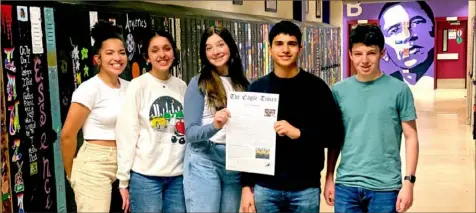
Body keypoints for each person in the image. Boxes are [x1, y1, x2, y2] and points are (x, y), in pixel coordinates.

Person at [239, 20, 344, 213]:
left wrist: (299, 134)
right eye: (279, 44)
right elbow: (247, 142)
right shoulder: (258, 89)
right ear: (269, 49)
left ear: (300, 48)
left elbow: (334, 135)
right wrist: (246, 187)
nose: (285, 50)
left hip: (305, 189)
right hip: (265, 188)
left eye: (292, 44)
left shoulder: (316, 88)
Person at [325, 24, 419, 213]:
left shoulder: (399, 90)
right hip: (346, 185)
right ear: (350, 55)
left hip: (385, 187)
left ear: (382, 53)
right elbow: (335, 139)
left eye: (371, 53)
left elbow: (411, 137)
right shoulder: (339, 91)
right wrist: (329, 178)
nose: (365, 60)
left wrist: (409, 182)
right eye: (358, 54)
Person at [115, 29, 187, 213]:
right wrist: (123, 180)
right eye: (155, 50)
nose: (162, 54)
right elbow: (127, 133)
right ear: (147, 57)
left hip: (178, 177)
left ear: (173, 53)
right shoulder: (138, 86)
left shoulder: (181, 86)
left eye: (166, 48)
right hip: (146, 177)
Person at [60, 20, 129, 212]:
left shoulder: (130, 88)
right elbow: (67, 135)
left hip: (125, 164)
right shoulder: (89, 89)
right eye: (109, 53)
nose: (117, 57)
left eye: (121, 52)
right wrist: (71, 174)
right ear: (97, 59)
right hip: (94, 163)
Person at [183, 25, 249, 212]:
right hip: (205, 158)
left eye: (220, 44)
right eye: (208, 48)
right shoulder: (198, 83)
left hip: (234, 161)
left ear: (230, 46)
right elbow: (191, 132)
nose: (215, 52)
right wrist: (215, 125)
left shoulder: (244, 84)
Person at [378, 1, 435, 87]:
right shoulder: (388, 84)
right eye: (394, 30)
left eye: (416, 23)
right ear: (384, 49)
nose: (407, 36)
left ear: (433, 28)